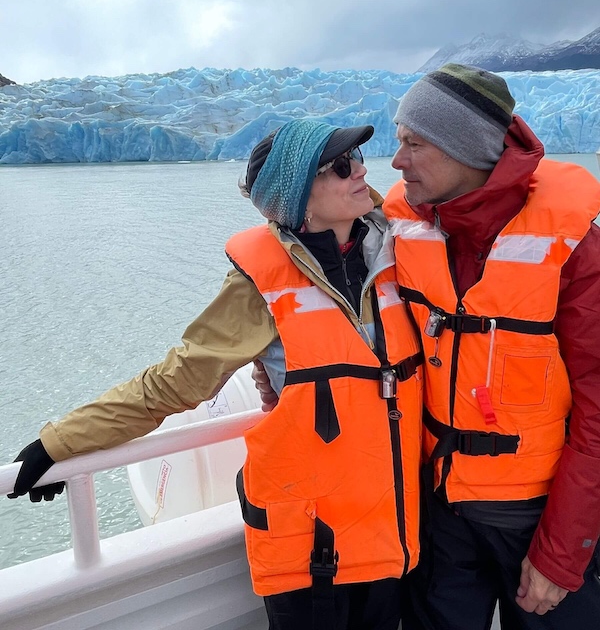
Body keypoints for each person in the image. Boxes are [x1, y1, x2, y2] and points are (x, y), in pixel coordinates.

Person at [8, 118, 424, 630]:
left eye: (358, 158)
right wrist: (61, 443)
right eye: (340, 166)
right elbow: (173, 382)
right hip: (316, 555)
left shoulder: (397, 250)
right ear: (299, 199)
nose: (361, 170)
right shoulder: (258, 291)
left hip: (395, 538)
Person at [254, 65, 600, 629]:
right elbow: (321, 256)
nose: (396, 161)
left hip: (536, 519)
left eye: (414, 143)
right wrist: (275, 364)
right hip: (436, 514)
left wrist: (563, 552)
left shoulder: (573, 248)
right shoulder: (400, 226)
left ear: (466, 150)